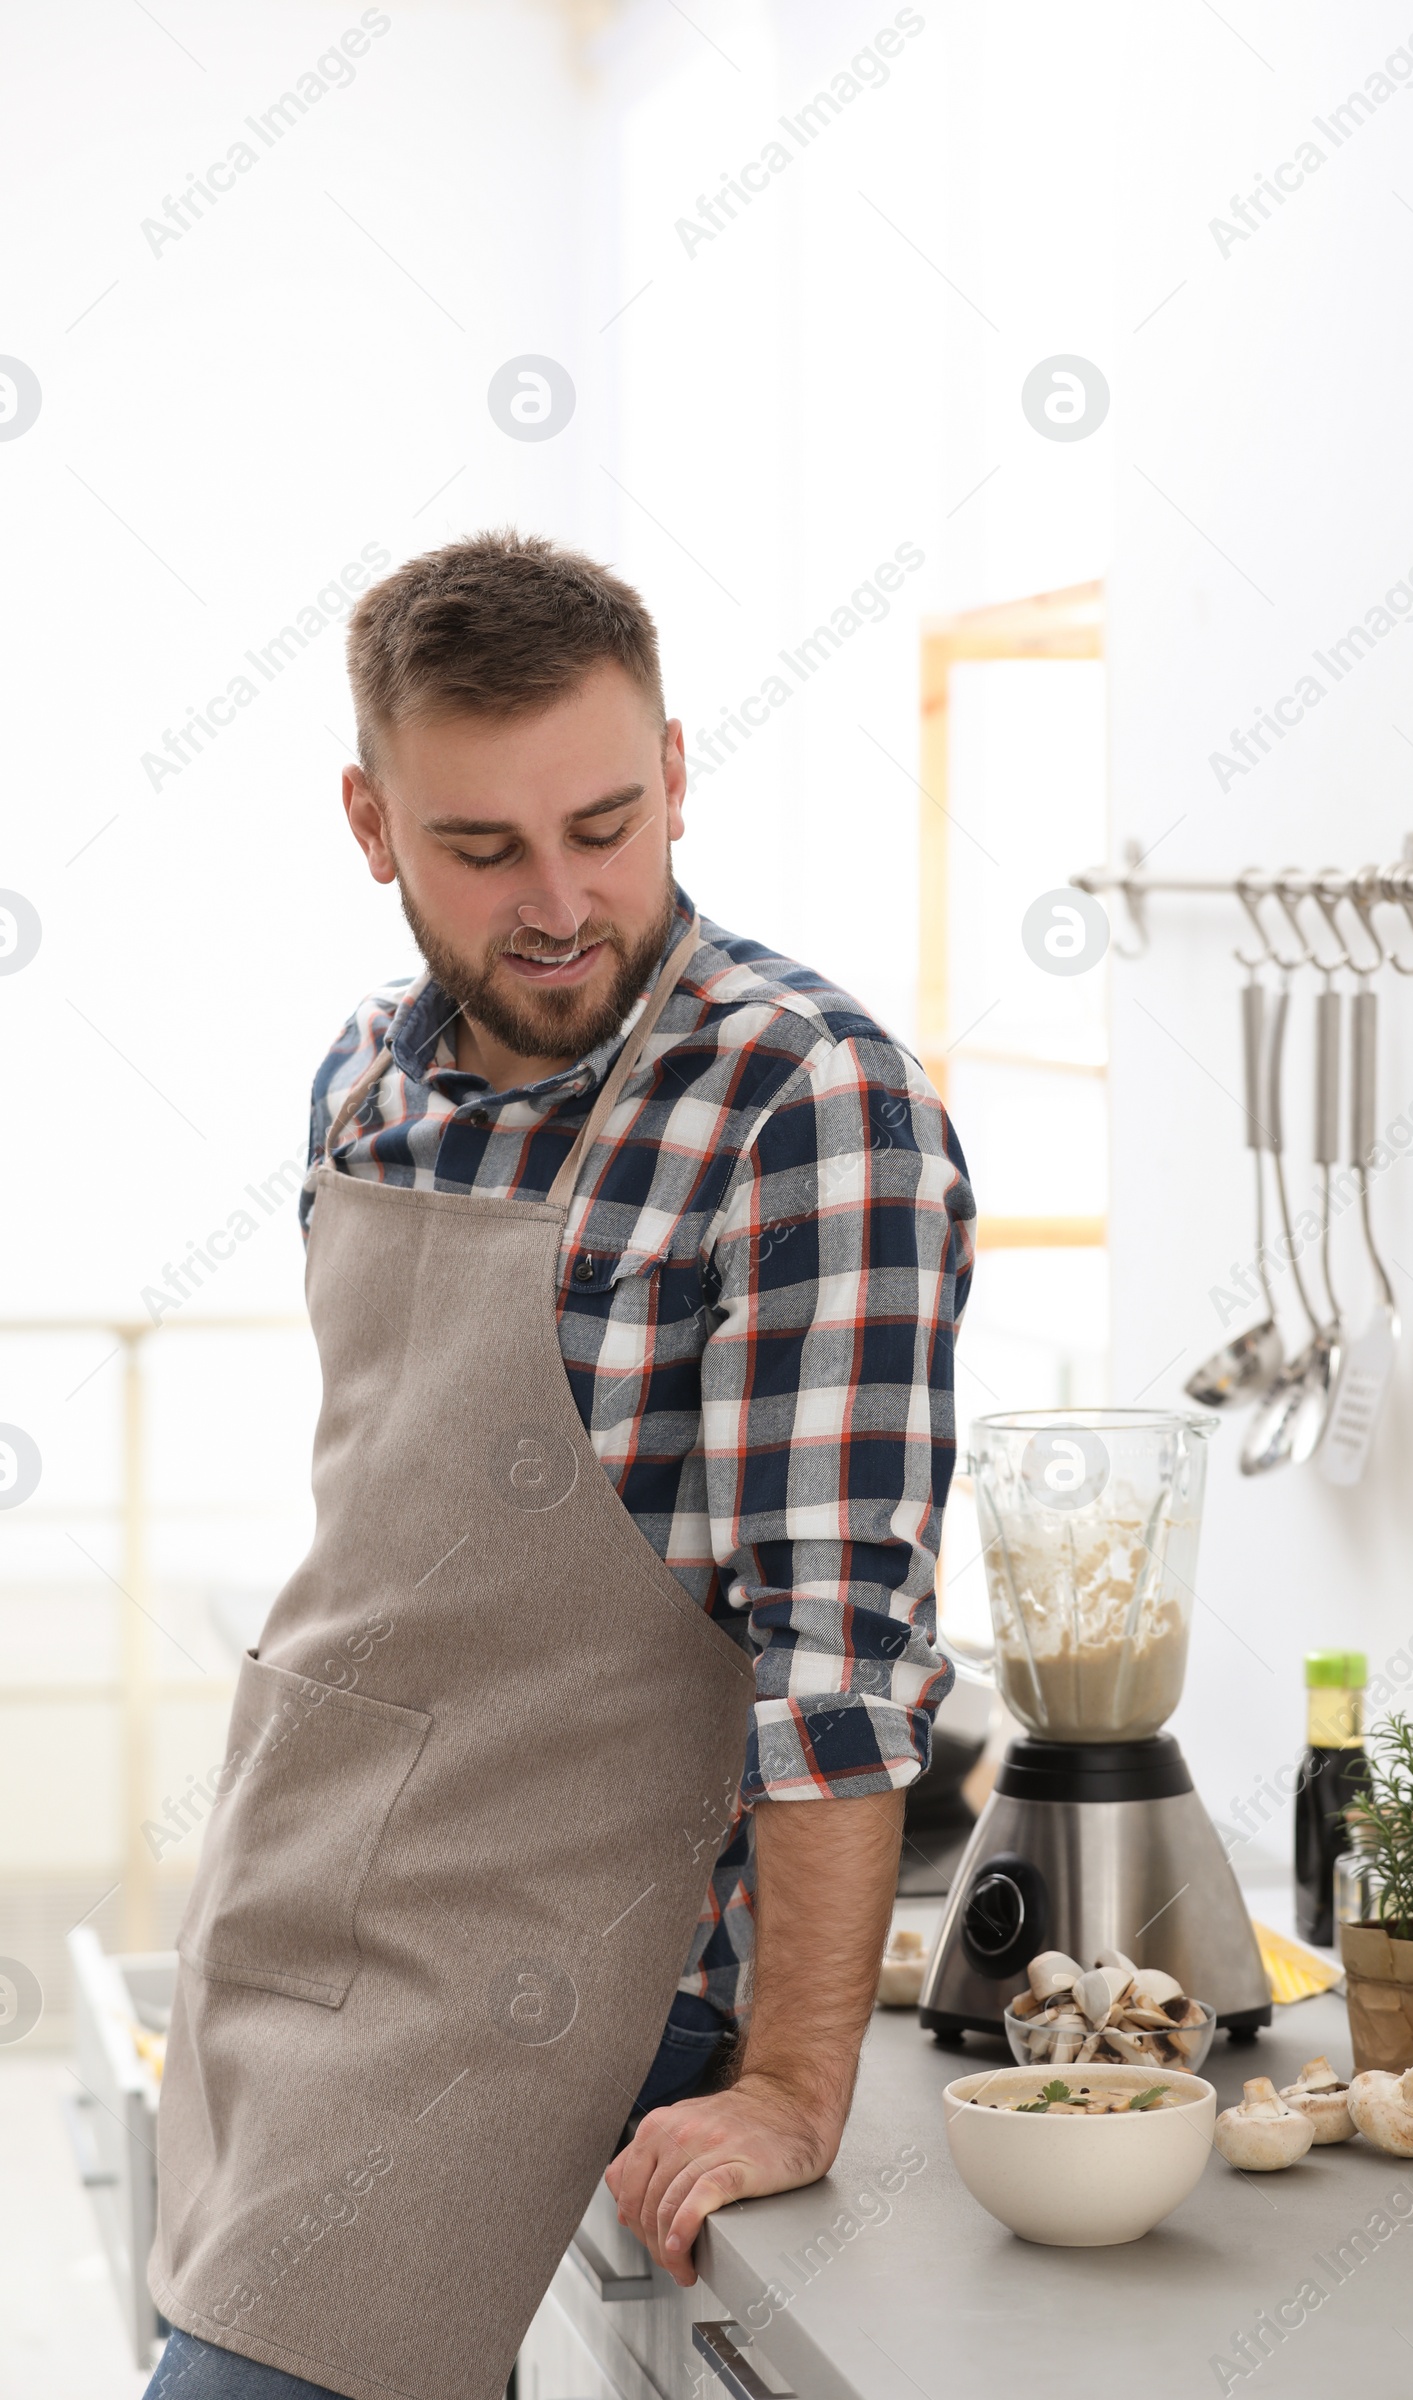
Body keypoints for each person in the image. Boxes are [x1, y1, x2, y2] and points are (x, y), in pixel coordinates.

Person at [144, 529, 973, 2400]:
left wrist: (792, 2077)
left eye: (606, 826)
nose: (560, 902)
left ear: (677, 772)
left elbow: (833, 1655)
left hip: (563, 1970)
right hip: (300, 1895)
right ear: (370, 822)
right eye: (482, 846)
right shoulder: (365, 1079)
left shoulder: (804, 1107)